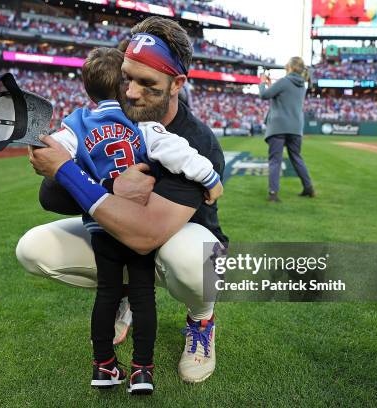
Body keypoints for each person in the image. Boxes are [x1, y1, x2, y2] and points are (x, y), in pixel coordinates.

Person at [17, 16, 227, 384]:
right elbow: (50, 197)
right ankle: (128, 293)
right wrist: (111, 184)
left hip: (184, 245)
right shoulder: (111, 115)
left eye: (148, 84)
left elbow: (147, 234)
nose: (131, 93)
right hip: (124, 236)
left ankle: (202, 318)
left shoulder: (197, 142)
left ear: (177, 84)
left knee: (192, 262)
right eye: (128, 77)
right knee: (32, 249)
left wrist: (71, 171)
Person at [259, 57, 314, 202]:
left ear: (289, 67)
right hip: (295, 127)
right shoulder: (302, 84)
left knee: (275, 160)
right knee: (296, 158)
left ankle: (273, 193)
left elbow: (264, 95)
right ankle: (309, 187)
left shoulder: (285, 81)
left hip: (278, 126)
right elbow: (283, 96)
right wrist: (271, 85)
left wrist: (262, 82)